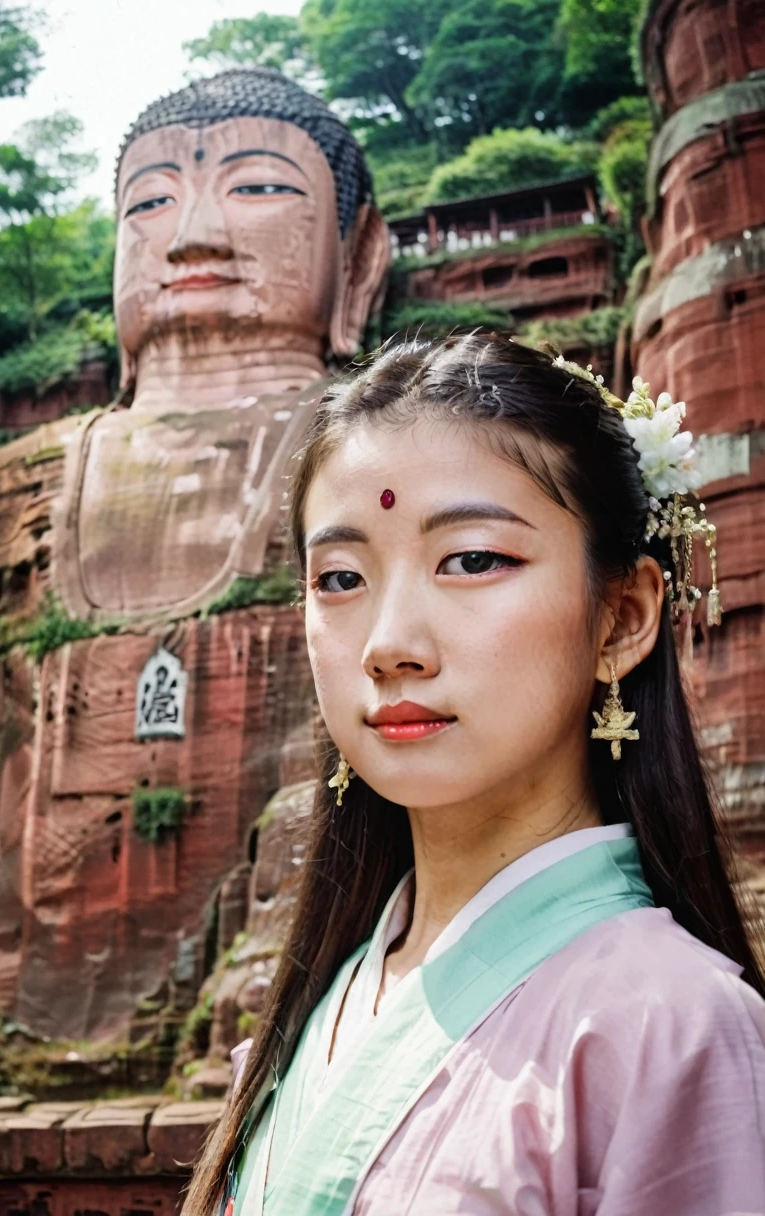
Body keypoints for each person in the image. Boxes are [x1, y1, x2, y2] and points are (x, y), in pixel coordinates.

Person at [185, 333, 765, 1216]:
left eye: (472, 560)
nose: (389, 646)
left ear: (622, 617)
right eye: (340, 577)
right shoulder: (329, 995)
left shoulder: (674, 1025)